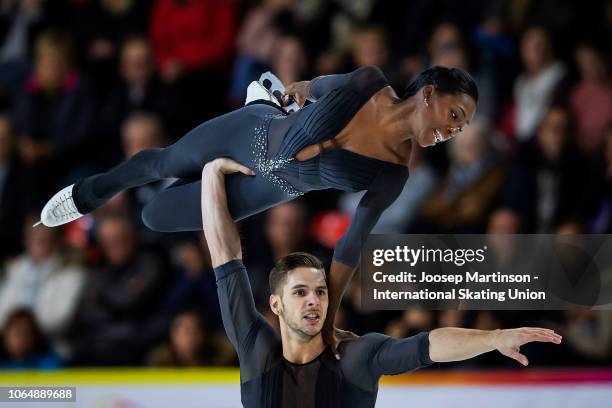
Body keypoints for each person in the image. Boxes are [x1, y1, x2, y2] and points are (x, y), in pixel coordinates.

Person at [38, 64, 478, 349]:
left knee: (155, 216)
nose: (453, 130)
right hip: (250, 132)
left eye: (462, 127)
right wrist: (294, 93)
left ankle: (231, 148)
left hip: (264, 187)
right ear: (429, 94)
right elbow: (313, 87)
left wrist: (327, 319)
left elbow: (350, 245)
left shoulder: (393, 174)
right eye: (455, 115)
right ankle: (88, 194)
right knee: (162, 160)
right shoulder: (369, 82)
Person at [201, 157, 562, 407]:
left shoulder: (355, 359)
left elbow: (429, 345)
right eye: (300, 292)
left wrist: (495, 338)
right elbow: (224, 256)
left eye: (321, 292)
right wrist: (212, 173)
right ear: (276, 304)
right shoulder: (257, 350)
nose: (314, 300)